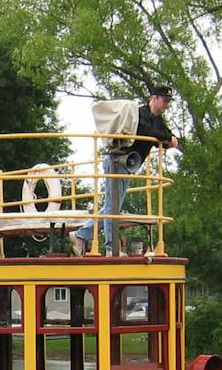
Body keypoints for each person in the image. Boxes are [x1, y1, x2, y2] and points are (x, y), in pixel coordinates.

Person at [72, 85, 180, 256]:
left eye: (168, 102)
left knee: (111, 207)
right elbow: (148, 131)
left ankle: (81, 234)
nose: (167, 105)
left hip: (127, 163)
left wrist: (170, 138)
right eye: (165, 101)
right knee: (112, 208)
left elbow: (165, 134)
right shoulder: (139, 114)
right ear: (154, 98)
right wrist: (167, 138)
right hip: (117, 160)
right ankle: (110, 248)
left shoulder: (157, 120)